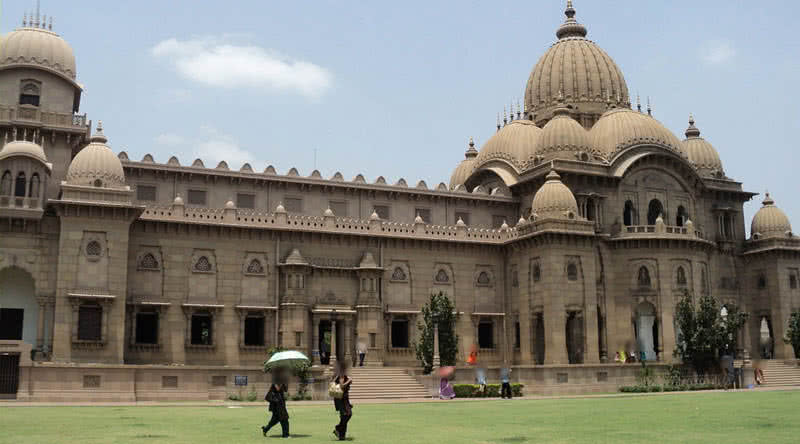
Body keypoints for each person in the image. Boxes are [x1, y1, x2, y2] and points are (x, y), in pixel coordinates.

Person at [332, 362, 353, 441]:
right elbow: (342, 386)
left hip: (341, 398)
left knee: (344, 416)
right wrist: (349, 380)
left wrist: (348, 380)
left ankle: (341, 436)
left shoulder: (340, 375)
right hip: (342, 399)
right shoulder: (341, 375)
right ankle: (338, 428)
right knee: (348, 414)